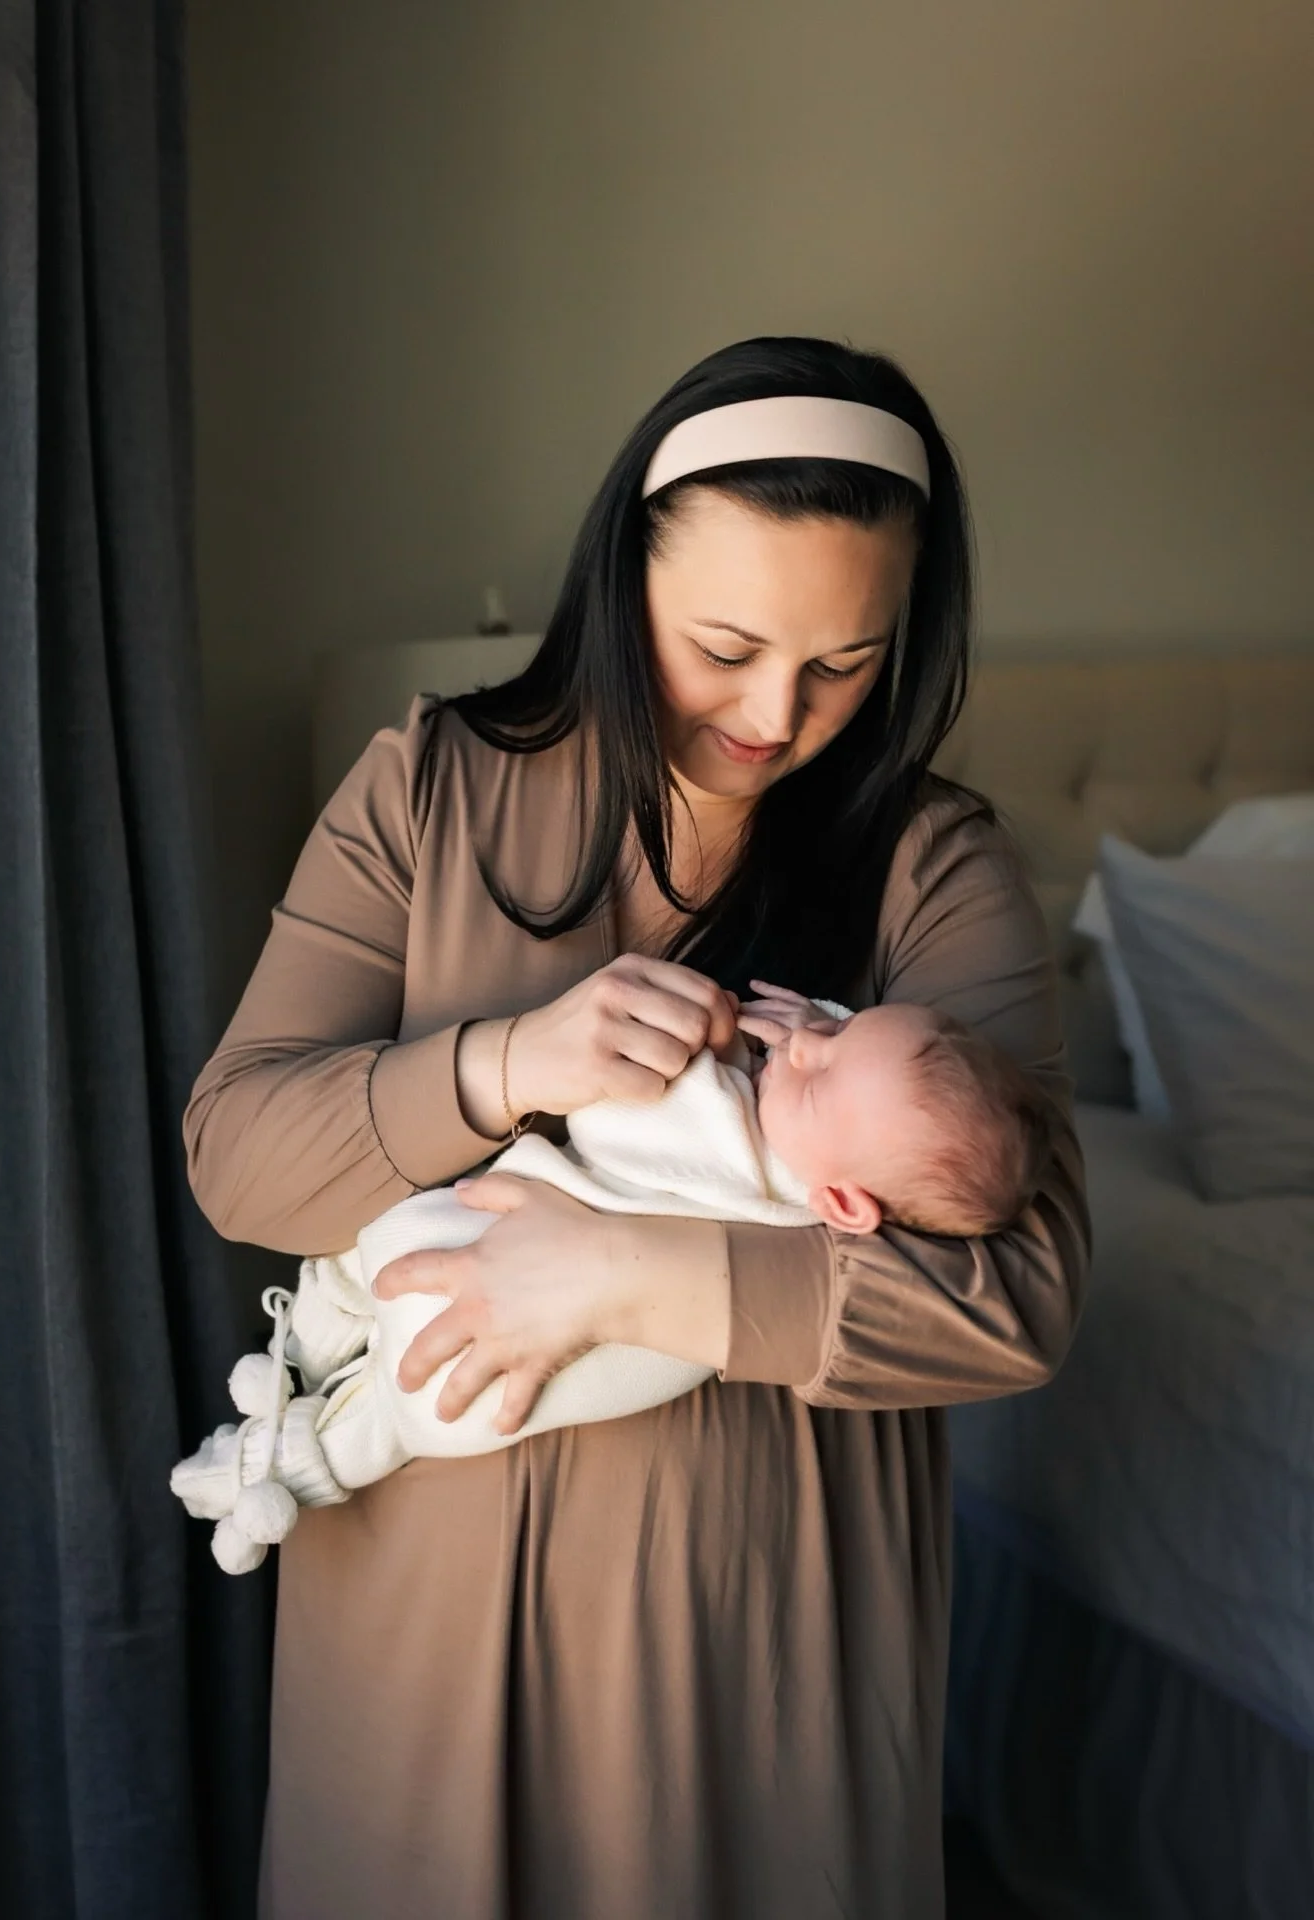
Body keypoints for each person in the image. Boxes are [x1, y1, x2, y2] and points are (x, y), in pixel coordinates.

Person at [183, 335, 1089, 1919]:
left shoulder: (930, 868)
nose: (777, 712)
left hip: (764, 1643)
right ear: (626, 577)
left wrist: (626, 1278)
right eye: (725, 642)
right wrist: (499, 1063)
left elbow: (1020, 1297)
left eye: (845, 663)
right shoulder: (427, 791)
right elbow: (241, 1156)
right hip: (427, 1629)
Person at [174, 989, 1055, 1572]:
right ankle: (287, 1456)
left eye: (817, 1074)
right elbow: (873, 1079)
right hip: (491, 1379)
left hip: (515, 1328)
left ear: (843, 1203)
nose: (796, 1051)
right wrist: (824, 1034)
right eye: (830, 1032)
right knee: (386, 1419)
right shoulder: (831, 1177)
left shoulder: (740, 1162)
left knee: (389, 1261)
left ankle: (310, 1349)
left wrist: (729, 1052)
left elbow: (617, 1116)